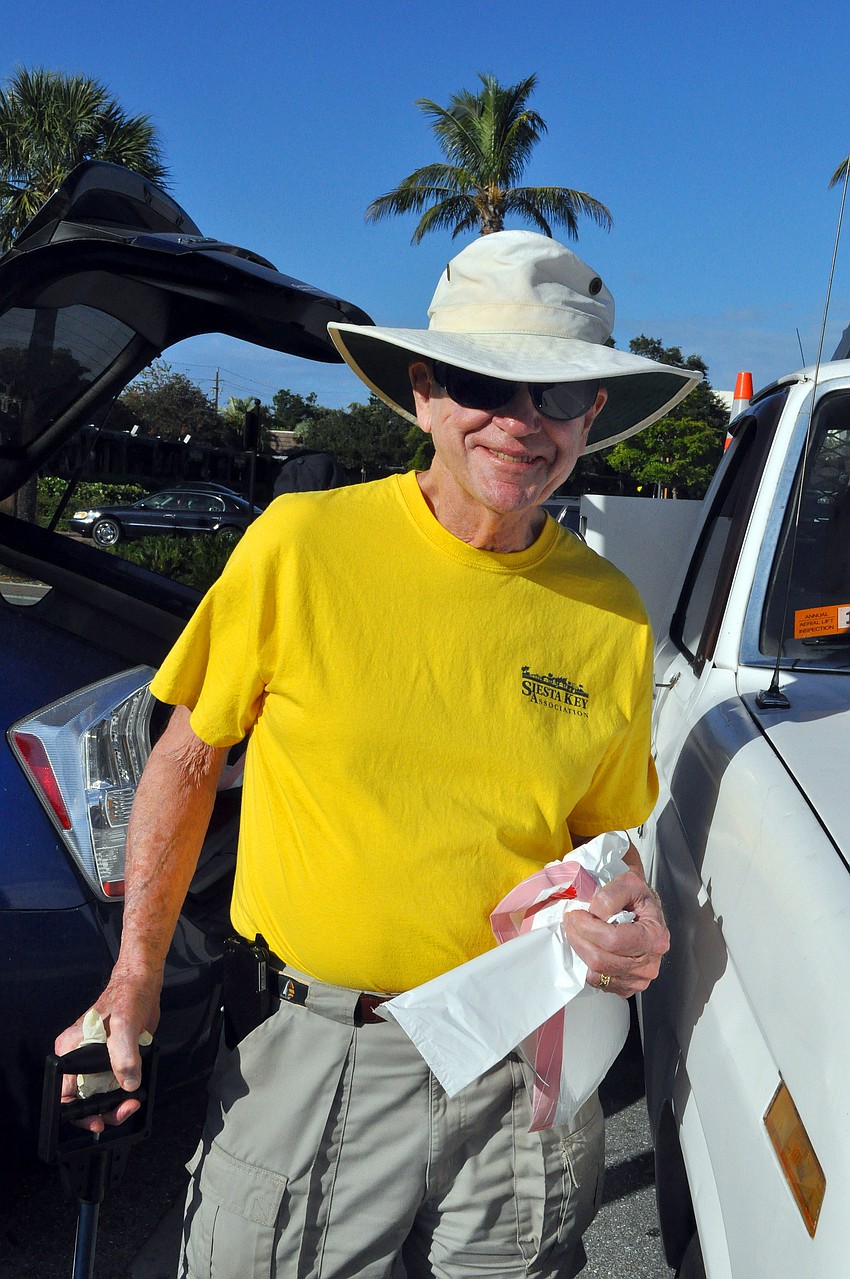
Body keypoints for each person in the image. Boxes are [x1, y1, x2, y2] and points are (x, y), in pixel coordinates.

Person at [57, 229, 700, 1279]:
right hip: (321, 1050)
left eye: (554, 396)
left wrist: (631, 915)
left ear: (591, 414)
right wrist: (130, 976)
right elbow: (182, 759)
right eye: (480, 382)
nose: (517, 424)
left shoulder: (611, 613)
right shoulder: (300, 545)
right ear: (423, 391)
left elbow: (600, 836)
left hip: (525, 1052)